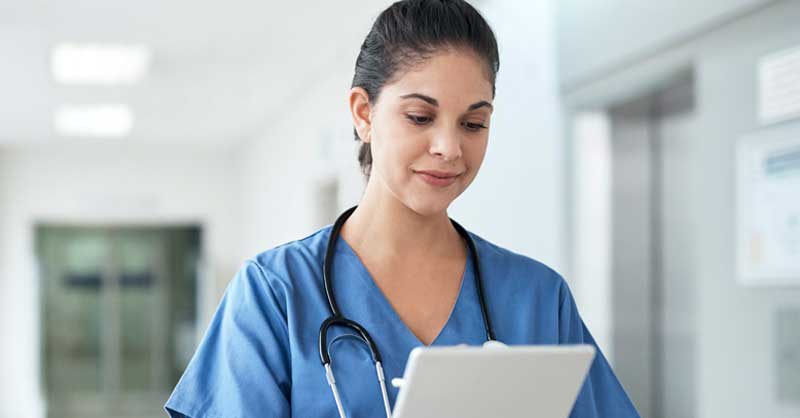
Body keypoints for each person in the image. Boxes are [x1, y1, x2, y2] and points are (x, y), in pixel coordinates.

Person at [164, 0, 640, 417]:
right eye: (420, 117)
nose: (449, 147)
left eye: (473, 123)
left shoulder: (537, 299)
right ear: (364, 113)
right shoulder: (276, 294)